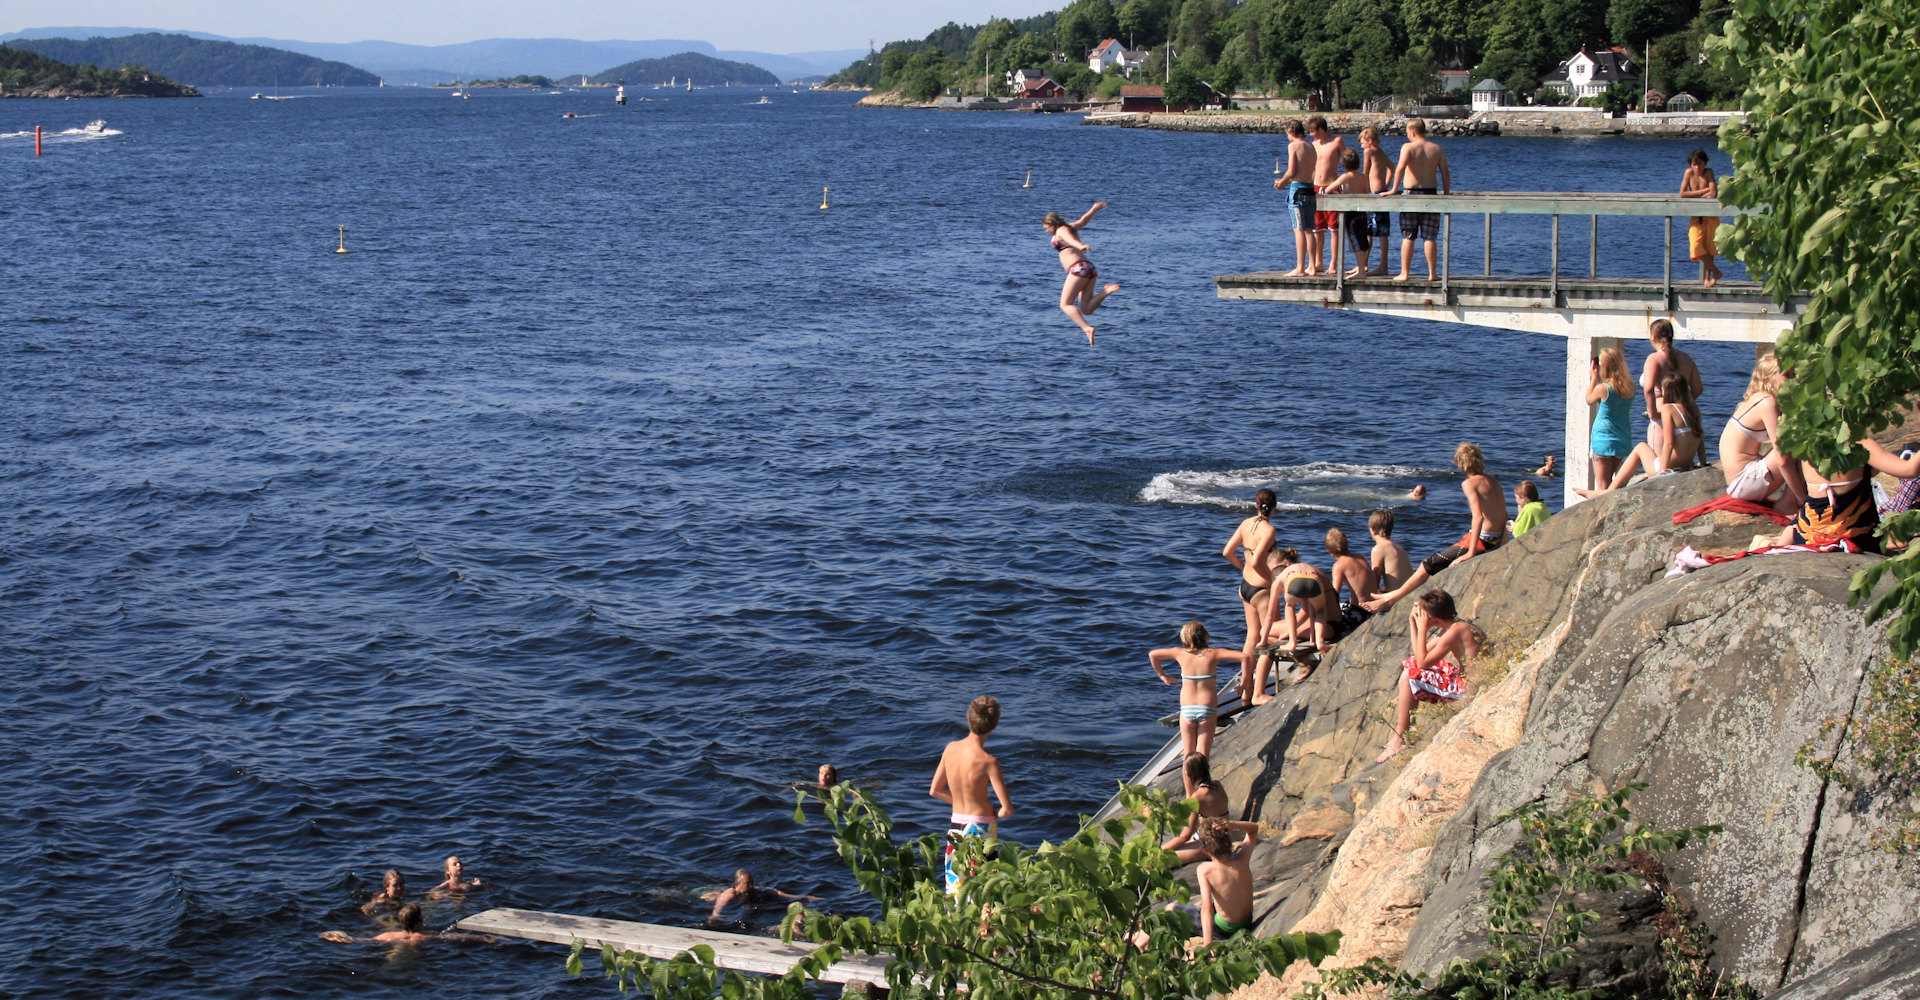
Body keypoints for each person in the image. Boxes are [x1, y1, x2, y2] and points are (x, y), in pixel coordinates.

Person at [1364, 443, 1507, 612]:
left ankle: (1390, 600)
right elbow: (1502, 512)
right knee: (1433, 563)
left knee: (1428, 564)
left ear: (1460, 464)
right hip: (1496, 537)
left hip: (1484, 540)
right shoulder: (1492, 480)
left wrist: (1470, 552)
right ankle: (1394, 593)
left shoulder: (1469, 484)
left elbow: (1477, 517)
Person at [1374, 590, 1483, 763]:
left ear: (1433, 618)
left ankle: (1400, 738)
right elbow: (1418, 656)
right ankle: (1407, 728)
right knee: (1410, 666)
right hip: (1464, 677)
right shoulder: (1455, 626)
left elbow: (1422, 664)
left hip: (1467, 687)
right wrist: (1412, 622)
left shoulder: (1454, 632)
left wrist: (1422, 627)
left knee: (1409, 675)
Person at [930, 695, 1014, 894]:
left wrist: (957, 802)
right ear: (995, 725)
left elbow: (935, 790)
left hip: (956, 828)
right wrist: (995, 814)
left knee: (956, 888)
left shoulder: (950, 749)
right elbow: (1007, 809)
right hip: (981, 830)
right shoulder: (989, 761)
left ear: (969, 719)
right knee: (984, 889)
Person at [1574, 371, 1705, 497]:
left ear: (1667, 391)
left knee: (1641, 447)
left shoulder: (1668, 409)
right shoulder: (1693, 410)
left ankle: (1606, 491)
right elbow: (1700, 440)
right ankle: (1623, 483)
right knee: (1639, 477)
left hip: (1669, 467)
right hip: (1685, 465)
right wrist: (1702, 462)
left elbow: (1669, 443)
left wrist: (1663, 473)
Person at [1783, 440, 1920, 555]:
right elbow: (1909, 470)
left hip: (1806, 538)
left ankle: (1775, 544)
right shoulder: (1860, 444)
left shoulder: (1809, 443)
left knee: (1804, 515)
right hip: (1856, 539)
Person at [1148, 621, 1248, 759]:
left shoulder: (1179, 653)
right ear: (1206, 636)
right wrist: (1244, 683)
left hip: (1187, 709)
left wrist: (1162, 675)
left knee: (1188, 755)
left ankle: (1188, 780)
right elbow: (1245, 657)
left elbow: (1153, 654)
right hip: (1207, 708)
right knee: (1203, 754)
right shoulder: (1213, 654)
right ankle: (1203, 780)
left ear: (1184, 638)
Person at [1719, 354, 1804, 508]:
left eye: (1794, 375)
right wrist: (1802, 498)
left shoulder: (1758, 397)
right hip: (1742, 484)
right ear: (1767, 379)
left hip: (1739, 482)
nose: (1794, 380)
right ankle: (1790, 503)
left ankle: (1789, 501)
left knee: (1795, 439)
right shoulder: (1768, 404)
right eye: (1787, 375)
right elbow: (1782, 460)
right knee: (1798, 444)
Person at [1221, 490, 1279, 707]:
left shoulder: (1246, 523)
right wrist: (1274, 583)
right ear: (1274, 506)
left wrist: (1242, 568)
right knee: (1270, 640)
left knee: (1251, 637)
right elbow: (1257, 562)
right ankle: (1258, 694)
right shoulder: (1269, 529)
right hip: (1261, 590)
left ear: (1256, 505)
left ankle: (1245, 688)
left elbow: (1228, 552)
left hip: (1244, 587)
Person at [1382, 117, 1450, 283]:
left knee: (1408, 235)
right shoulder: (1436, 148)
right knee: (1429, 236)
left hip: (1411, 194)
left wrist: (1392, 189)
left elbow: (1400, 168)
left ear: (1412, 131)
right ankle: (1432, 273)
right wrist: (1447, 193)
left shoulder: (1408, 147)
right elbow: (1445, 173)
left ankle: (1405, 273)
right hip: (1431, 194)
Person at [1043, 203, 1121, 346]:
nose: (1046, 231)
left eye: (1046, 228)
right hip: (1089, 268)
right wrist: (1094, 209)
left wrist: (1080, 246)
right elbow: (1083, 221)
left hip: (1078, 269)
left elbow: (1070, 240)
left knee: (1065, 304)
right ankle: (1105, 291)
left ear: (1052, 224)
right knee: (1086, 309)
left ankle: (1087, 328)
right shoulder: (1070, 227)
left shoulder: (1061, 231)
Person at [1642, 320, 1704, 457]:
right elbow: (1698, 388)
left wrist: (1653, 414)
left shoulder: (1654, 359)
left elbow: (1648, 389)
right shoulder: (1686, 358)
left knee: (1659, 469)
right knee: (1681, 466)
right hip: (1685, 419)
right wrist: (1683, 404)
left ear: (1653, 336)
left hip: (1661, 419)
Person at [1193, 818, 1259, 945]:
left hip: (1224, 929)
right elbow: (1254, 829)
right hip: (1246, 922)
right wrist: (1232, 824)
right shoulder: (1242, 858)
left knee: (1171, 909)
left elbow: (1206, 909)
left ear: (1206, 850)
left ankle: (1141, 945)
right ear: (1229, 842)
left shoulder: (1205, 870)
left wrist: (1208, 943)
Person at [1160, 752, 1232, 865]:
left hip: (1209, 845)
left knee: (1159, 860)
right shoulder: (1218, 785)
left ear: (1189, 774)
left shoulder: (1197, 797)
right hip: (1224, 840)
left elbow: (1185, 836)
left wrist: (1159, 850)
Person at [1274, 119, 1319, 276]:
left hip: (1298, 190)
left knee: (1298, 229)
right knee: (1309, 229)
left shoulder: (1294, 145)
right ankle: (1312, 266)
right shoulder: (1311, 146)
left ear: (1291, 132)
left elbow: (1292, 171)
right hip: (1310, 190)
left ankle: (1300, 268)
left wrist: (1281, 183)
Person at [322, 903, 494, 944]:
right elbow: (456, 936)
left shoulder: (389, 936)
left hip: (396, 945)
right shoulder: (426, 936)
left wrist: (338, 936)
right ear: (419, 921)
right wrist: (484, 938)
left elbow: (360, 941)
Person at [1587, 347, 1635, 488]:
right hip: (1621, 437)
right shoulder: (1630, 386)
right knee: (1613, 485)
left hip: (1603, 438)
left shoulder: (1603, 388)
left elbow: (1589, 399)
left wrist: (1594, 377)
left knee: (1603, 486)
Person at [706, 868, 817, 925]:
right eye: (747, 884)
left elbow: (780, 894)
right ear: (737, 886)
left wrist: (806, 898)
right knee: (709, 896)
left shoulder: (757, 891)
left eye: (752, 883)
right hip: (715, 895)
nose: (751, 886)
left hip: (743, 901)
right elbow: (718, 908)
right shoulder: (729, 894)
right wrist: (714, 917)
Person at [1308, 115, 1348, 273]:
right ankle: (1318, 262)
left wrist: (1347, 183)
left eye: (1313, 131)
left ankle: (1333, 263)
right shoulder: (1313, 144)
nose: (1311, 134)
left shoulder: (1337, 141)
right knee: (1317, 228)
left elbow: (1347, 162)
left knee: (1334, 228)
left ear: (1321, 129)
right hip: (1316, 187)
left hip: (1332, 186)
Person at [1326, 148, 1372, 278]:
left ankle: (1361, 272)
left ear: (1344, 164)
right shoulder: (1364, 177)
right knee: (1362, 241)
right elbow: (1367, 192)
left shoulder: (1345, 177)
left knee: (1356, 241)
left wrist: (1338, 193)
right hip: (1362, 212)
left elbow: (1328, 189)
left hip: (1351, 213)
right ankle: (1362, 268)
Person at [1680, 149, 1724, 287]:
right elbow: (1682, 193)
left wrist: (1694, 194)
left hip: (1710, 215)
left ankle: (1707, 278)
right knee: (1696, 244)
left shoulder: (1708, 172)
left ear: (1705, 163)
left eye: (1700, 164)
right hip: (1696, 216)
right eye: (1694, 164)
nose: (1697, 167)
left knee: (1709, 248)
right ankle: (1716, 272)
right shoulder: (1688, 173)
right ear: (1691, 164)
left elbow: (1714, 192)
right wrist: (1704, 192)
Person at [1324, 528, 1376, 641]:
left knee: (1327, 622)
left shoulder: (1339, 565)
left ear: (1329, 551)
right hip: (1373, 609)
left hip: (1360, 613)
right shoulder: (1361, 557)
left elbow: (1334, 595)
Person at [1357, 127, 1393, 276]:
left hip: (1373, 193)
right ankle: (1367, 264)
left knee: (1372, 232)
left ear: (1369, 141)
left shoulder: (1369, 151)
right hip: (1381, 191)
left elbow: (1365, 172)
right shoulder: (1381, 152)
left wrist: (1361, 189)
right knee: (1377, 231)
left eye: (1362, 142)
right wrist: (1387, 185)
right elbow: (1393, 168)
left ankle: (1376, 266)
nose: (1361, 146)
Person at [1367, 509, 1412, 594]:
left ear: (1372, 529)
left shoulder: (1378, 549)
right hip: (1409, 593)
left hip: (1397, 598)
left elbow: (1374, 582)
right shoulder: (1399, 547)